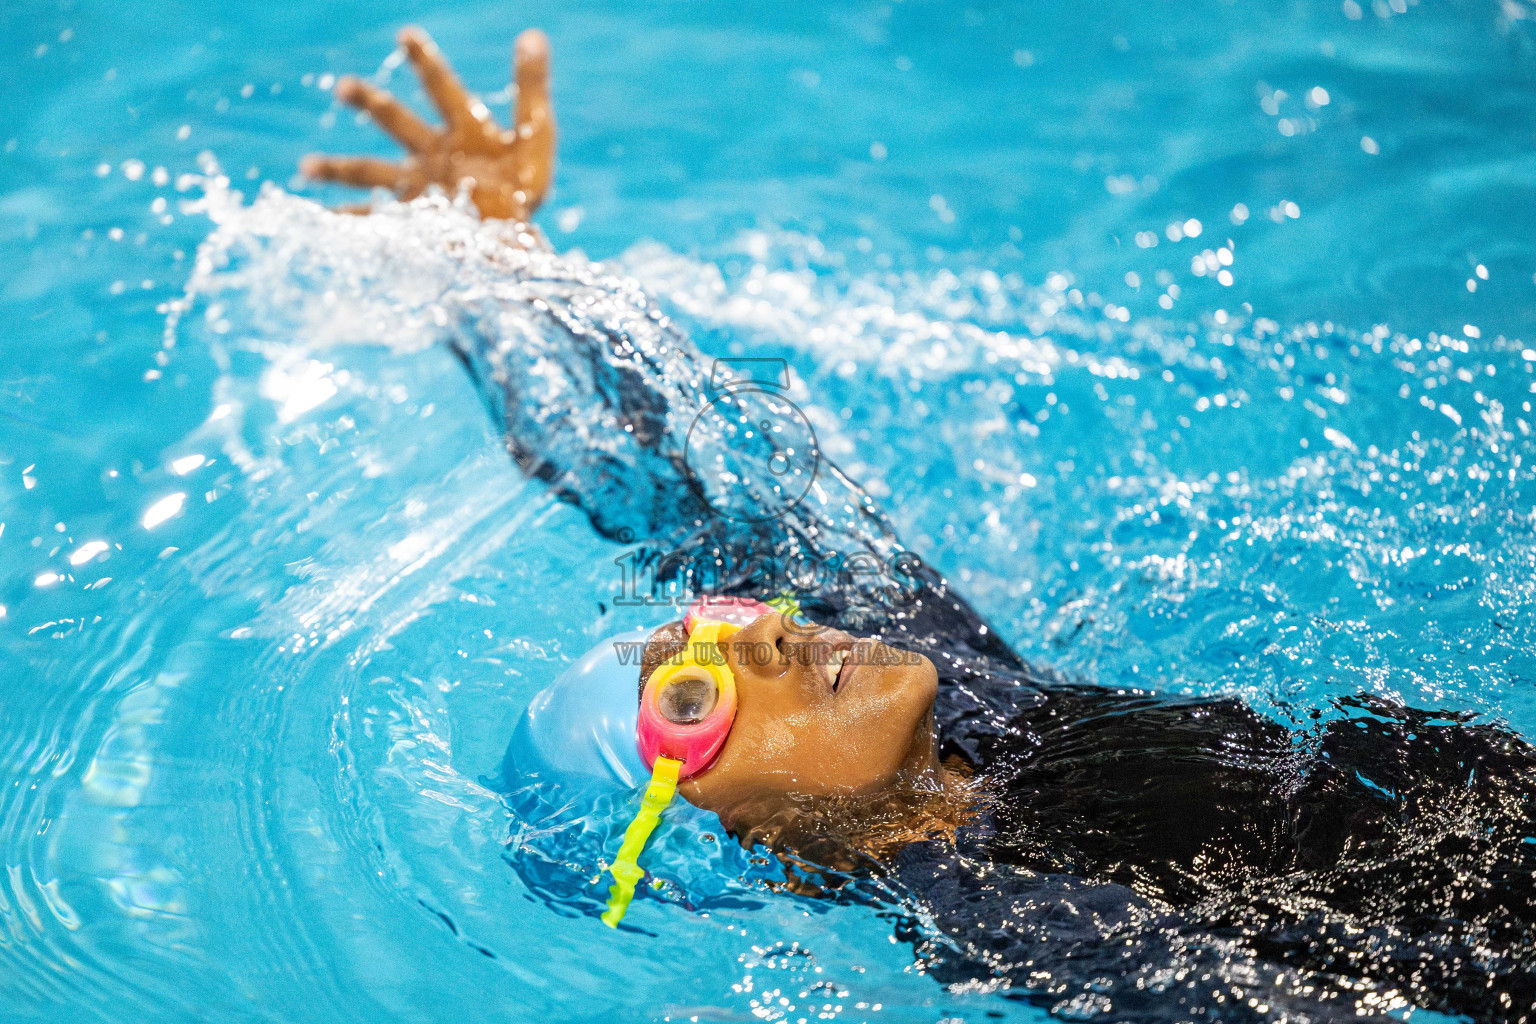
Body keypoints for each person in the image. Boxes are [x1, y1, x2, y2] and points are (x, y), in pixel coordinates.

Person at [301, 27, 1536, 1023]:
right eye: (692, 697)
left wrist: (495, 261)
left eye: (718, 627)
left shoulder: (976, 702)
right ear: (757, 852)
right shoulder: (1013, 913)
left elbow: (664, 479)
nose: (763, 641)